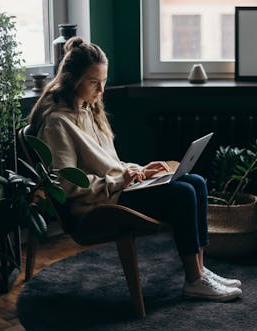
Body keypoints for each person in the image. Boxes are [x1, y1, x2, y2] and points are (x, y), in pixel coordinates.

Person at [28, 37, 242, 302]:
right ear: (72, 79)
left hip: (117, 191)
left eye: (104, 81)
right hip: (98, 207)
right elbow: (67, 186)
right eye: (94, 82)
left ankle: (200, 270)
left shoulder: (88, 109)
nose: (101, 90)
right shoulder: (57, 123)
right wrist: (119, 181)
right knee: (182, 193)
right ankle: (194, 280)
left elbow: (109, 164)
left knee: (195, 181)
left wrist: (140, 170)